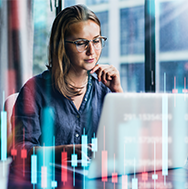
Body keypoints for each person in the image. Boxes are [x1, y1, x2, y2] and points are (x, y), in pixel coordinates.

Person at [12, 4, 122, 164]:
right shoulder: (34, 90)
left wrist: (118, 92)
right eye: (81, 43)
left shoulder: (105, 89)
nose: (92, 50)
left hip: (94, 183)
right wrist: (62, 152)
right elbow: (19, 150)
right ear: (61, 46)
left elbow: (128, 144)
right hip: (47, 184)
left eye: (96, 41)